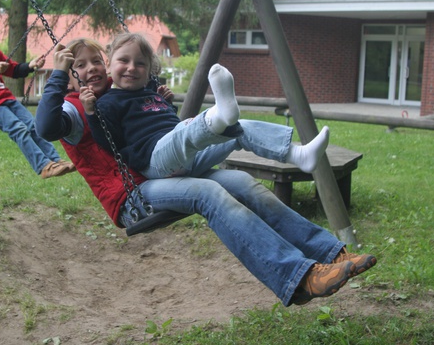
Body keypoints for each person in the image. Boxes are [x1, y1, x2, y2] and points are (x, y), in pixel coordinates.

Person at [35, 38, 377, 307]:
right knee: (209, 193)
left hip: (162, 175)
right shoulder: (75, 106)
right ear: (69, 73)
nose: (92, 68)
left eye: (96, 60)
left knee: (242, 182)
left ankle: (331, 254)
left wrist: (157, 95)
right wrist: (56, 77)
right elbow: (48, 126)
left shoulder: (121, 93)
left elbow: (145, 114)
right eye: (79, 65)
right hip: (133, 197)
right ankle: (299, 276)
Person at [83, 32, 330, 180]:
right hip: (154, 162)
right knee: (184, 134)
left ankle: (299, 155)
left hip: (185, 157)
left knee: (238, 129)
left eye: (140, 64)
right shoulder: (108, 103)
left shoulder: (152, 94)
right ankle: (218, 116)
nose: (131, 67)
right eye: (123, 60)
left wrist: (167, 106)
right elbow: (109, 143)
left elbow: (166, 124)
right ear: (109, 65)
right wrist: (92, 113)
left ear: (149, 71)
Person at [0, 14, 75, 179]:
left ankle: (55, 161)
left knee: (34, 126)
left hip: (7, 99)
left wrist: (30, 66)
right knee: (19, 129)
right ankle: (43, 166)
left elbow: (13, 69)